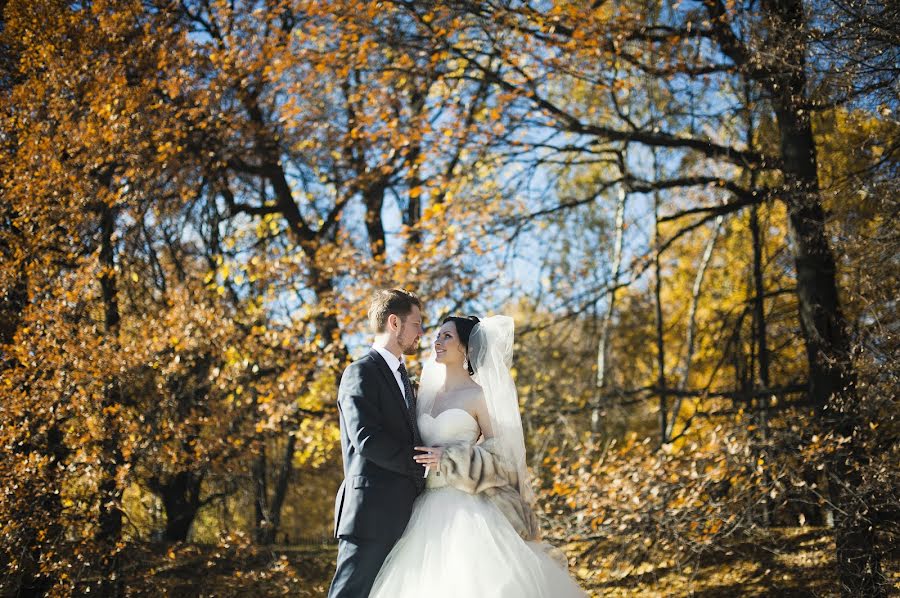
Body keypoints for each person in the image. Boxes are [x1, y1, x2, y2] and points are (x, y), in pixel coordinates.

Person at [370, 315, 587, 597]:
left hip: (468, 507)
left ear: (466, 348)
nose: (437, 341)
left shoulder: (478, 396)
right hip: (424, 507)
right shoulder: (422, 396)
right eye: (437, 335)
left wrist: (450, 458)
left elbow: (503, 457)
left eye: (447, 336)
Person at [327, 288, 427, 598]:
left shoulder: (404, 378)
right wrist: (421, 465)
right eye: (417, 323)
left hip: (407, 514)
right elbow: (367, 439)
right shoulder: (361, 372)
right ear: (394, 323)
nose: (421, 332)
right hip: (371, 515)